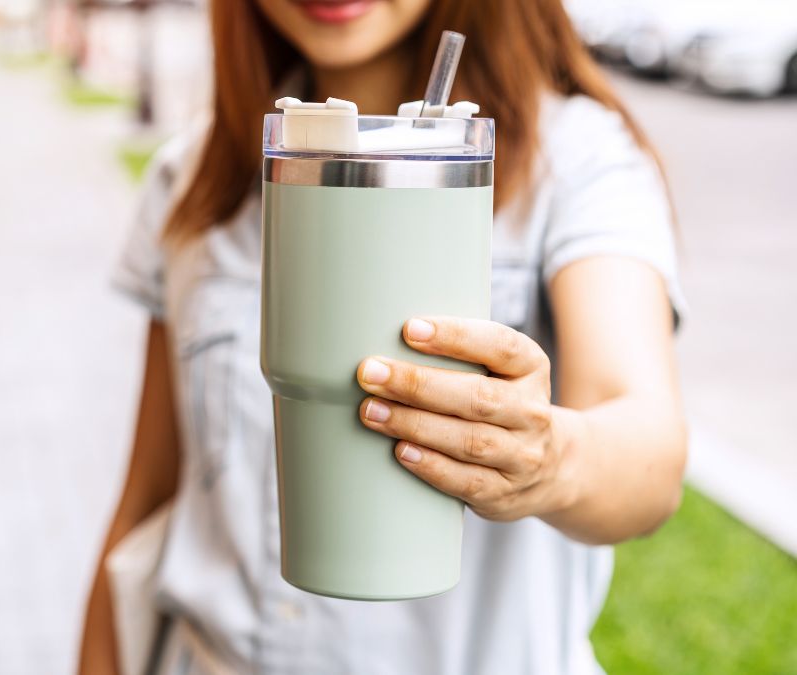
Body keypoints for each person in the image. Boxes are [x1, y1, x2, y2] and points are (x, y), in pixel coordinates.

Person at [79, 0, 688, 672]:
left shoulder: (574, 160)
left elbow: (649, 451)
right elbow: (146, 498)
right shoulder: (193, 176)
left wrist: (550, 457)